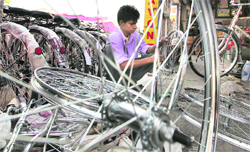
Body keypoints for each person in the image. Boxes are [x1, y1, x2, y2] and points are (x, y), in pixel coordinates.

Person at [105, 5, 165, 86]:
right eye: (132, 24)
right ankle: (121, 83)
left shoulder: (133, 34)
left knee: (150, 56)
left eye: (135, 23)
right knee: (151, 58)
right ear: (121, 23)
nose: (135, 26)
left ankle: (129, 82)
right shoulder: (115, 37)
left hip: (129, 69)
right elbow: (123, 65)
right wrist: (151, 59)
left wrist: (159, 44)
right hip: (117, 73)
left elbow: (146, 49)